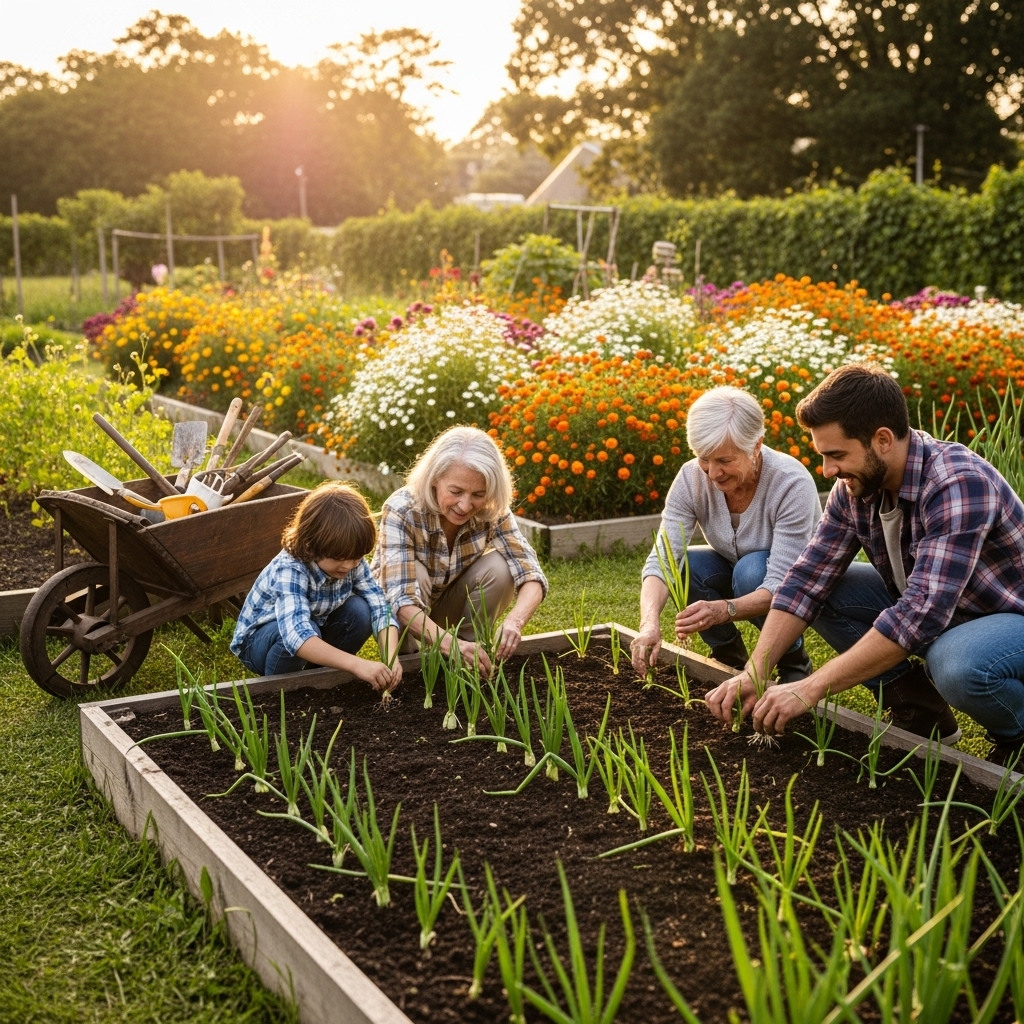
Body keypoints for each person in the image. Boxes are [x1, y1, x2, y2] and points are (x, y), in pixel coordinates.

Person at [706, 361, 1024, 765]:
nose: (828, 470)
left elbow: (920, 615)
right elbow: (806, 579)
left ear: (883, 439)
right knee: (822, 590)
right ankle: (920, 708)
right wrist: (755, 670)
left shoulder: (957, 483)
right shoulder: (854, 488)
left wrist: (811, 686)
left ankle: (1017, 735)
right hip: (943, 612)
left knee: (957, 662)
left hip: (1008, 619)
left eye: (837, 455)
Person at [630, 386, 822, 682]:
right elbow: (663, 560)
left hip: (795, 588)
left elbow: (782, 584)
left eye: (724, 461)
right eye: (704, 458)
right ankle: (728, 657)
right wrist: (648, 624)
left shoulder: (790, 483)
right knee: (686, 567)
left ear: (756, 446)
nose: (712, 472)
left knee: (751, 571)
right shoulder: (691, 477)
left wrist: (724, 609)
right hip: (738, 569)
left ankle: (791, 659)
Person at [373, 425, 548, 676]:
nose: (465, 505)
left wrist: (514, 622)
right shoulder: (402, 509)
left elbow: (531, 572)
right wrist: (449, 644)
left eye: (478, 494)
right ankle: (410, 659)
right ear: (435, 479)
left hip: (442, 606)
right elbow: (400, 601)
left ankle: (472, 650)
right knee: (417, 573)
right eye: (455, 492)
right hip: (399, 617)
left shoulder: (492, 510)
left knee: (501, 568)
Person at [231, 481, 401, 691]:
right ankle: (282, 689)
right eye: (339, 558)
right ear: (311, 545)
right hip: (261, 642)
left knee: (361, 611)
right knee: (299, 634)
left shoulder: (350, 559)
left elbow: (378, 604)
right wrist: (356, 665)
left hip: (314, 627)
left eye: (356, 558)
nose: (349, 565)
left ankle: (319, 678)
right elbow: (296, 634)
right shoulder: (290, 568)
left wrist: (391, 657)